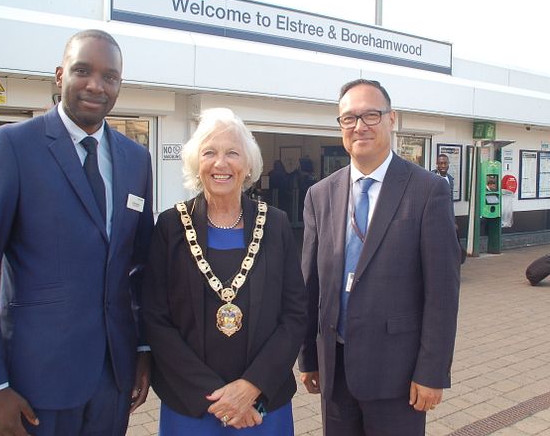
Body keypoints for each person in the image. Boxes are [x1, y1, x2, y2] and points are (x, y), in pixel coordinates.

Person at [0, 29, 154, 435]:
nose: (95, 85)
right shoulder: (12, 148)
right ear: (60, 74)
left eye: (110, 76)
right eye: (83, 70)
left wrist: (142, 349)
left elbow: (139, 266)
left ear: (120, 85)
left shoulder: (136, 159)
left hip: (112, 377)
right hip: (36, 382)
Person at [298, 79, 461, 435]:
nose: (360, 126)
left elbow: (442, 293)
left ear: (392, 119)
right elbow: (311, 287)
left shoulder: (427, 190)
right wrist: (309, 358)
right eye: (349, 118)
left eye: (371, 115)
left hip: (398, 376)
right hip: (336, 372)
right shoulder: (320, 195)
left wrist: (432, 372)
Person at [143, 107, 307, 435]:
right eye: (209, 153)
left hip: (262, 406)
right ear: (195, 163)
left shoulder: (275, 224)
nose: (221, 163)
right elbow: (155, 318)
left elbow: (294, 315)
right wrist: (217, 398)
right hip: (191, 407)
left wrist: (250, 388)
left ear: (248, 165)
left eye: (232, 152)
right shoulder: (170, 226)